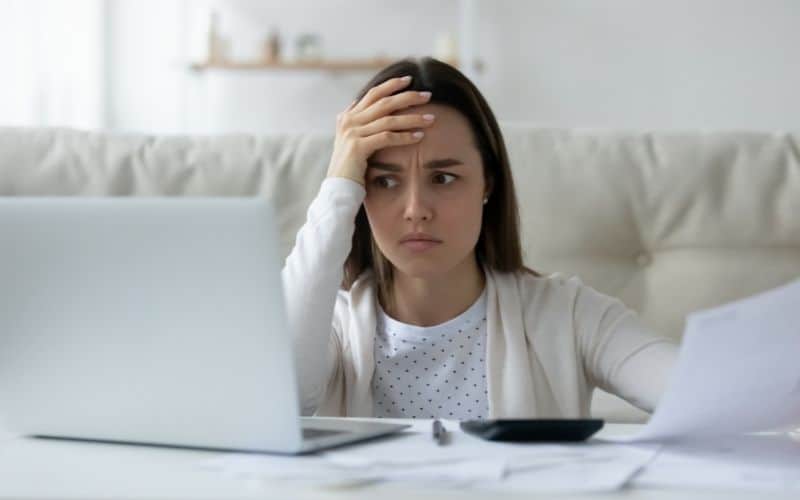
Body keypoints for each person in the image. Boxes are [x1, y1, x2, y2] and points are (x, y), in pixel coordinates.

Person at [281, 57, 677, 419]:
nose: (416, 208)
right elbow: (283, 395)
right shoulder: (330, 327)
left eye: (444, 178)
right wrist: (337, 185)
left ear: (487, 182)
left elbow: (702, 397)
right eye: (385, 181)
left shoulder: (568, 316)